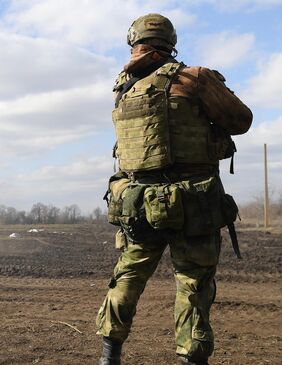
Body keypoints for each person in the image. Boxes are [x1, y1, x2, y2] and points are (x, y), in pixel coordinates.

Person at [96, 13, 252, 365]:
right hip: (193, 205)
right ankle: (191, 358)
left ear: (133, 41)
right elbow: (241, 120)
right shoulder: (193, 78)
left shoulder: (123, 88)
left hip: (137, 203)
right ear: (171, 42)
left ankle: (109, 356)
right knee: (193, 287)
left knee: (126, 279)